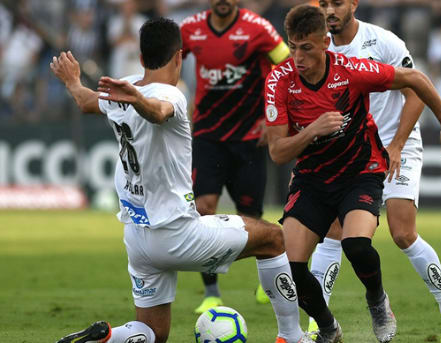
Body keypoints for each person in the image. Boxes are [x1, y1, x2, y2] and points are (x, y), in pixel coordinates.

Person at [51, 17, 307, 343]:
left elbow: (87, 101)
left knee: (154, 334)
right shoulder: (171, 94)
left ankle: (105, 338)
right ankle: (293, 336)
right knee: (272, 238)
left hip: (138, 239)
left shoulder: (125, 87)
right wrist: (140, 101)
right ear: (179, 56)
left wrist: (73, 81)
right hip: (177, 234)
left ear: (142, 58)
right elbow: (158, 111)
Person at [265, 4, 441, 343]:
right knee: (324, 238)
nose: (330, 9)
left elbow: (415, 87)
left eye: (336, 2)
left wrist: (403, 141)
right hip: (330, 160)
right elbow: (278, 148)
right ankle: (322, 325)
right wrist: (311, 134)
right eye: (323, 3)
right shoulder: (283, 76)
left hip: (385, 146)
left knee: (400, 233)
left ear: (353, 4)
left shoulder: (381, 44)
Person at [180, 0, 291, 313]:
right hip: (208, 135)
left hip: (249, 138)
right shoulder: (190, 29)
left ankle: (266, 280)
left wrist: (273, 117)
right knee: (202, 210)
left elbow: (287, 66)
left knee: (251, 215)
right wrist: (173, 91)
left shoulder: (258, 28)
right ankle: (211, 292)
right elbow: (166, 60)